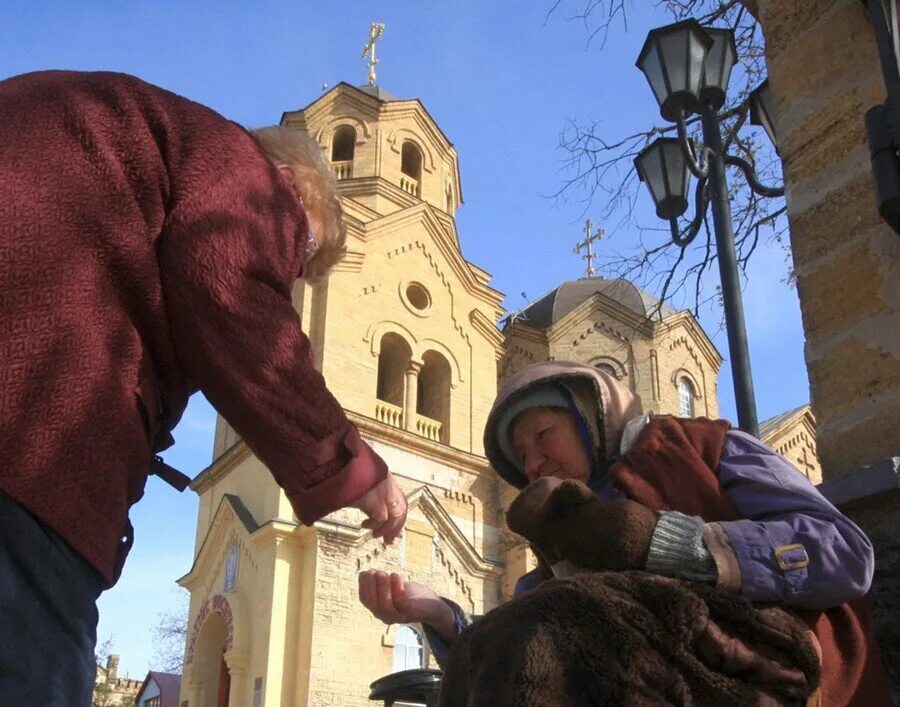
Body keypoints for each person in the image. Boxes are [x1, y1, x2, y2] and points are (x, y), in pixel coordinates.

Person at [0, 70, 407, 706]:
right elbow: (229, 289)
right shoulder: (248, 174)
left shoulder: (117, 139)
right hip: (32, 440)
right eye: (299, 257)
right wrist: (354, 468)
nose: (287, 277)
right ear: (298, 189)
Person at [359, 360, 891, 706]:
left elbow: (847, 554)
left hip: (789, 677)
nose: (535, 460)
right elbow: (515, 660)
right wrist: (440, 617)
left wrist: (666, 542)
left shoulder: (702, 448)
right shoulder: (561, 537)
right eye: (521, 455)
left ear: (590, 415)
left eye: (544, 434)